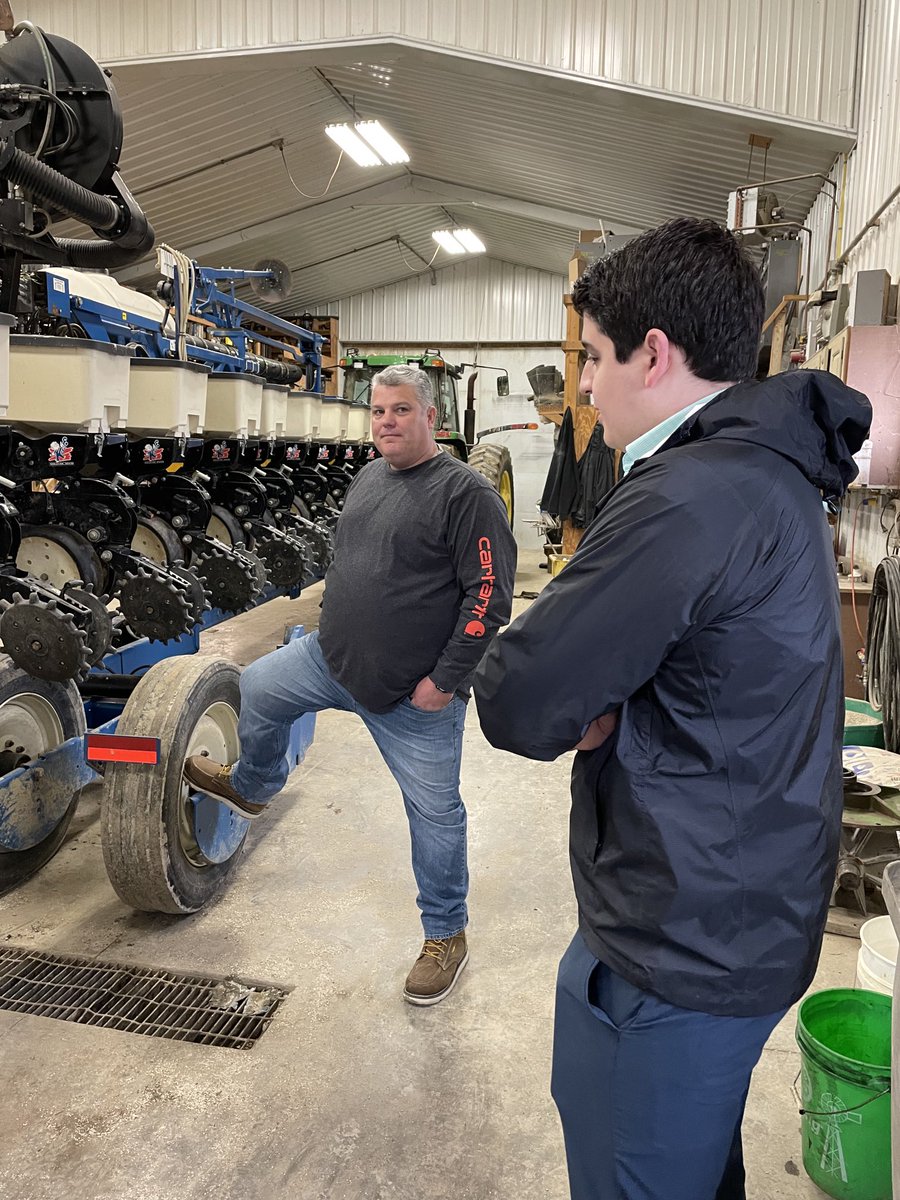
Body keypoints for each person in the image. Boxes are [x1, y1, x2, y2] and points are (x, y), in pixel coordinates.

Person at [473, 218, 871, 1198]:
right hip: (747, 910)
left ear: (655, 354)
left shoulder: (689, 497)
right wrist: (616, 694)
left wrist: (601, 702)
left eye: (597, 359)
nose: (588, 388)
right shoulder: (774, 479)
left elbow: (521, 698)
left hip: (680, 946)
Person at [185, 364, 516, 1005]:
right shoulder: (370, 475)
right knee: (255, 687)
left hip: (411, 696)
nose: (386, 422)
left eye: (400, 411)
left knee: (435, 816)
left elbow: (488, 598)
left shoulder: (465, 493)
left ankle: (446, 935)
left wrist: (444, 682)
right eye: (378, 412)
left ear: (432, 419)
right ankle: (253, 786)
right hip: (329, 661)